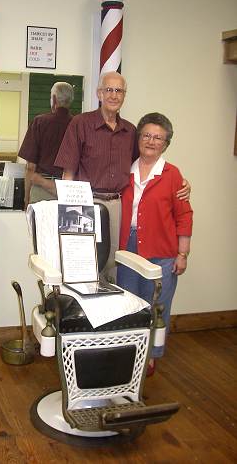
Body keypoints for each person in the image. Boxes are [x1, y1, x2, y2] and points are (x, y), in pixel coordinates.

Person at [54, 71, 190, 274]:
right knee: (83, 266)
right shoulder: (80, 124)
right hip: (85, 204)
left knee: (114, 267)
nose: (113, 95)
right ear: (99, 93)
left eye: (119, 91)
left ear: (124, 96)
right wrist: (66, 213)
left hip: (118, 206)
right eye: (108, 90)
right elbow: (68, 172)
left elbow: (145, 162)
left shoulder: (130, 131)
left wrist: (182, 182)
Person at [117, 112, 193, 375]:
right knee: (130, 304)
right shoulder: (124, 168)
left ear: (165, 144)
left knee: (157, 305)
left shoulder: (172, 175)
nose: (151, 141)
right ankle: (130, 352)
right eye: (147, 135)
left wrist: (182, 253)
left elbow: (184, 215)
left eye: (158, 137)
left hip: (162, 250)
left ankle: (150, 355)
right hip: (127, 247)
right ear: (139, 138)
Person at [18, 82, 74, 207]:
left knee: (39, 226)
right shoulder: (77, 125)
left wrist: (26, 198)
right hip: (68, 192)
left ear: (54, 99)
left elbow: (30, 167)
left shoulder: (39, 122)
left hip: (41, 190)